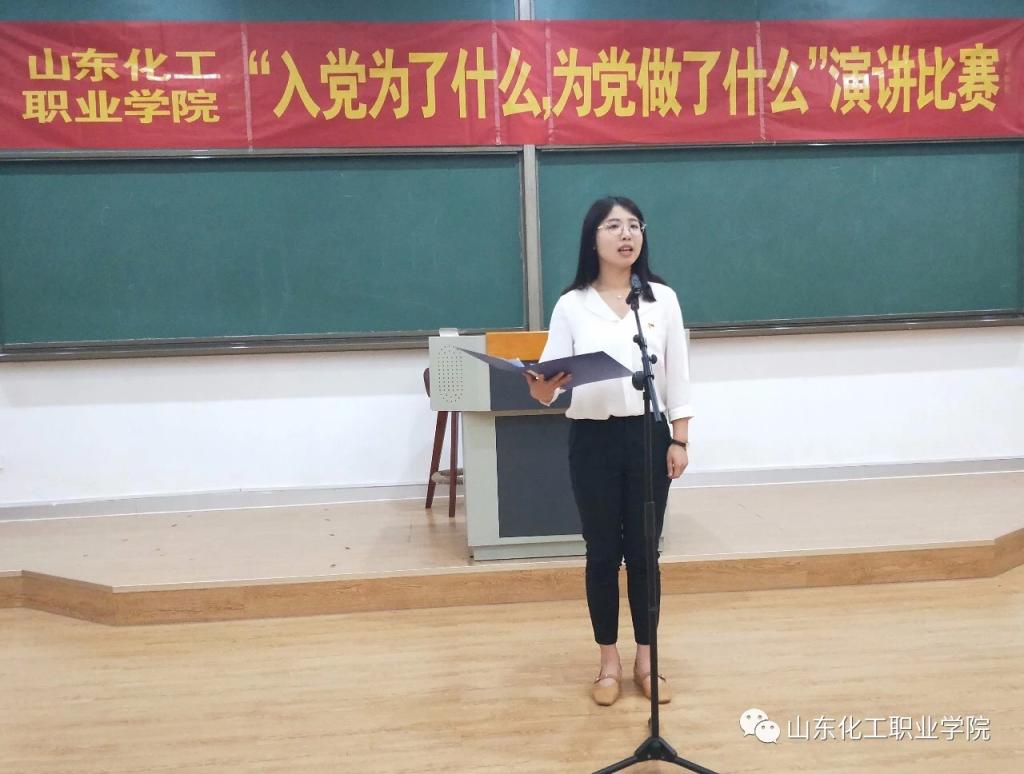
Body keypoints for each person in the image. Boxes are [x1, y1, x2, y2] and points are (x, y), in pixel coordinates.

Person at [525, 196, 693, 707]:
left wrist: (680, 438)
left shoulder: (660, 300)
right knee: (602, 554)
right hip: (592, 439)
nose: (626, 234)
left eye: (634, 225)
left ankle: (647, 661)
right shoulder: (571, 304)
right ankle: (608, 664)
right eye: (614, 226)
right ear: (592, 238)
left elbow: (678, 375)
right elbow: (549, 385)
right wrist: (540, 388)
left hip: (648, 437)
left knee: (645, 553)